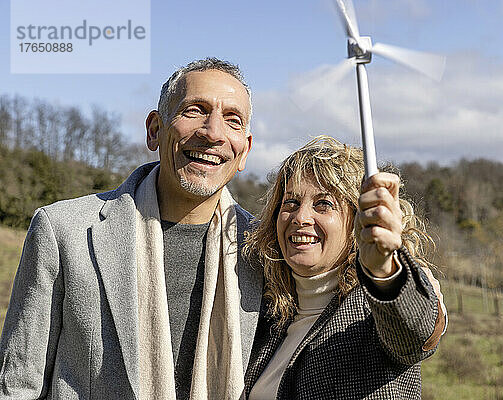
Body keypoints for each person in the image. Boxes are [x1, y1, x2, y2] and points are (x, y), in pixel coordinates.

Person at [0, 58, 262, 400]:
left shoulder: (263, 250)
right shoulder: (63, 231)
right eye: (194, 110)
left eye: (233, 120)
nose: (213, 133)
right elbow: (18, 385)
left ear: (244, 151)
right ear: (155, 129)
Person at [243, 136, 447, 399]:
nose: (300, 217)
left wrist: (383, 270)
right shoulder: (267, 316)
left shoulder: (370, 311)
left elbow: (414, 334)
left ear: (359, 221)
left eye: (323, 204)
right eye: (291, 203)